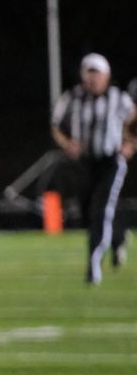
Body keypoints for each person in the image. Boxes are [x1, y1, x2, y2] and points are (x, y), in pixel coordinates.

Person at [50, 53, 136, 283]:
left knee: (101, 209)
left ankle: (93, 264)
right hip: (85, 162)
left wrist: (130, 143)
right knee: (91, 209)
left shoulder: (119, 98)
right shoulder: (73, 98)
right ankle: (118, 238)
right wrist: (67, 144)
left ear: (106, 76)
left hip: (111, 161)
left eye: (96, 74)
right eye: (89, 74)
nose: (92, 79)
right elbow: (56, 125)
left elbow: (132, 119)